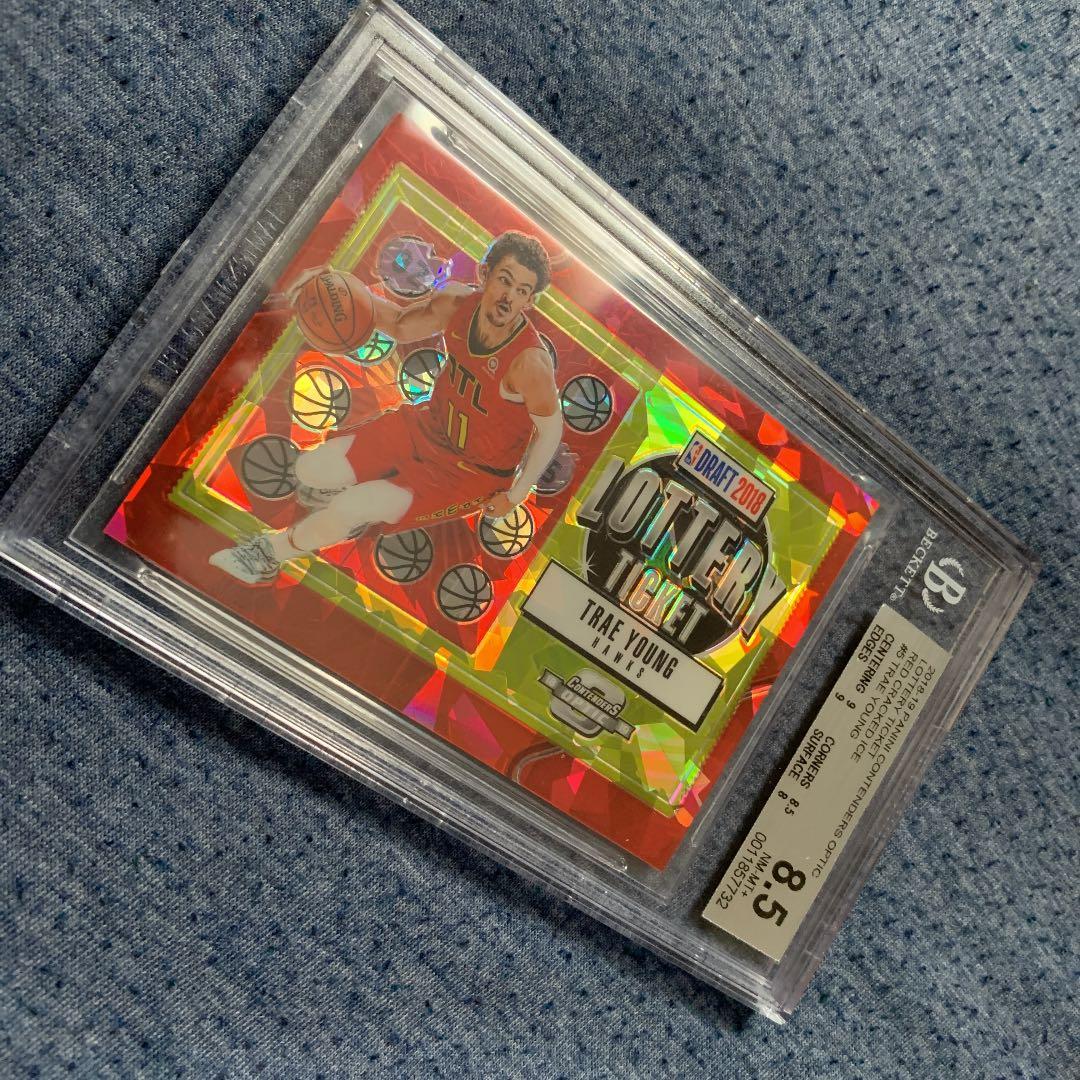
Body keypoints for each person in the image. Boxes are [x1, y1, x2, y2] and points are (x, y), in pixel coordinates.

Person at [210, 231, 563, 584]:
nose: (508, 297)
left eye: (521, 291)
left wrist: (516, 495)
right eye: (505, 281)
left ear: (529, 301)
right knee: (309, 470)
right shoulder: (456, 303)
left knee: (350, 506)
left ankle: (267, 554)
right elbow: (399, 325)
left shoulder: (529, 363)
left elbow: (551, 431)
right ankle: (348, 511)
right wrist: (333, 288)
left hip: (469, 473)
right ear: (484, 274)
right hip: (425, 427)